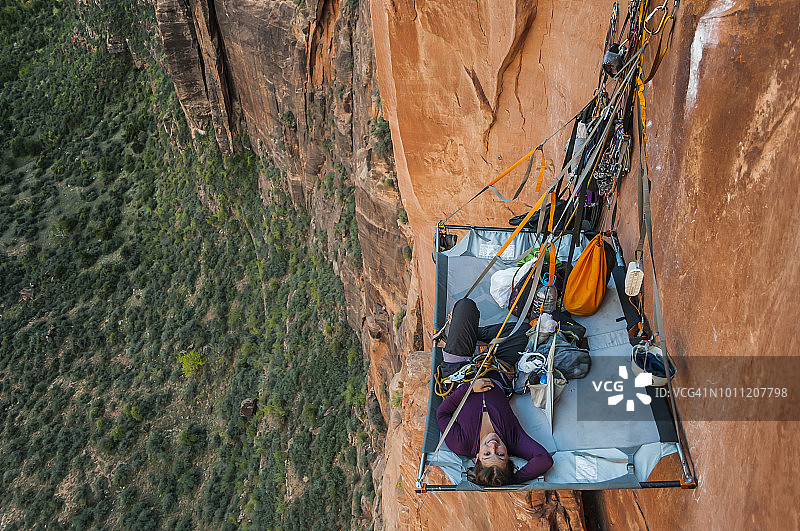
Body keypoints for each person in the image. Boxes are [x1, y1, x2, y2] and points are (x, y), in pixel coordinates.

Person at [436, 298, 553, 486]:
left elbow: (442, 413)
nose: (493, 445)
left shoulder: (461, 444)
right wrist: (510, 479)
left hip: (459, 370)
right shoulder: (513, 439)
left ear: (476, 458)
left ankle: (468, 334)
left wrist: (470, 388)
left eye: (487, 454)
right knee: (523, 331)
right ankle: (475, 334)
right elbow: (544, 460)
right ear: (509, 457)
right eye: (500, 455)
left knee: (465, 306)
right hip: (496, 366)